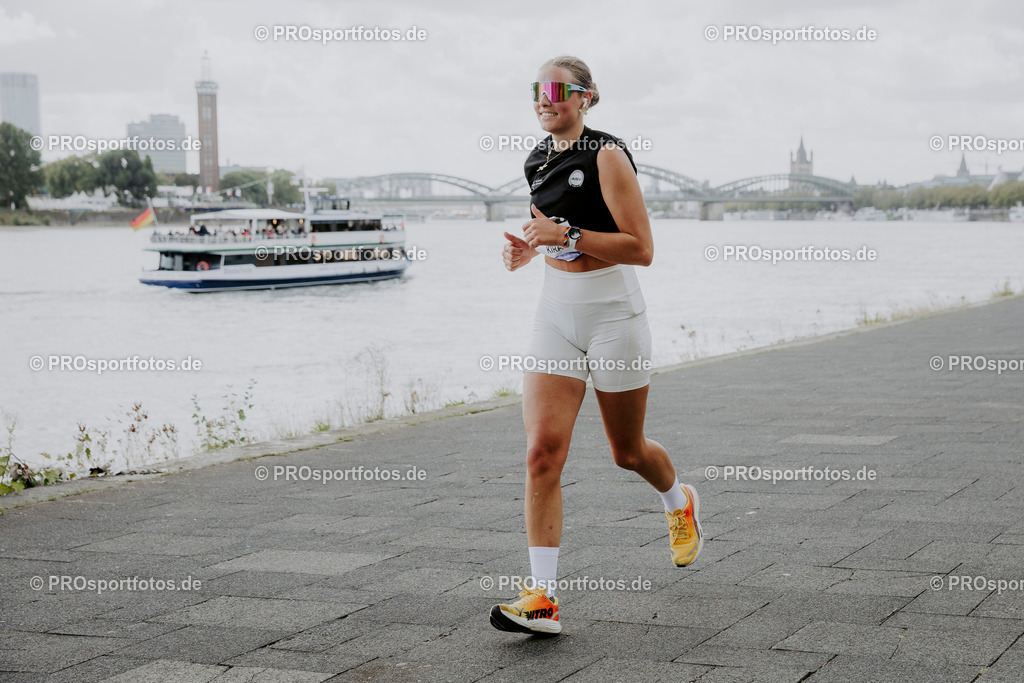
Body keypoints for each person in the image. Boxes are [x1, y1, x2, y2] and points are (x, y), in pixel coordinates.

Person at [490, 56, 702, 637]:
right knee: (542, 452)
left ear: (586, 97)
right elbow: (554, 236)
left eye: (558, 89)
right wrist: (530, 249)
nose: (545, 98)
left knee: (626, 452)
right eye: (538, 89)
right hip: (555, 311)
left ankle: (678, 501)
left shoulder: (607, 154)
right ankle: (543, 600)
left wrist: (572, 235)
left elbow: (642, 248)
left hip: (614, 313)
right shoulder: (535, 160)